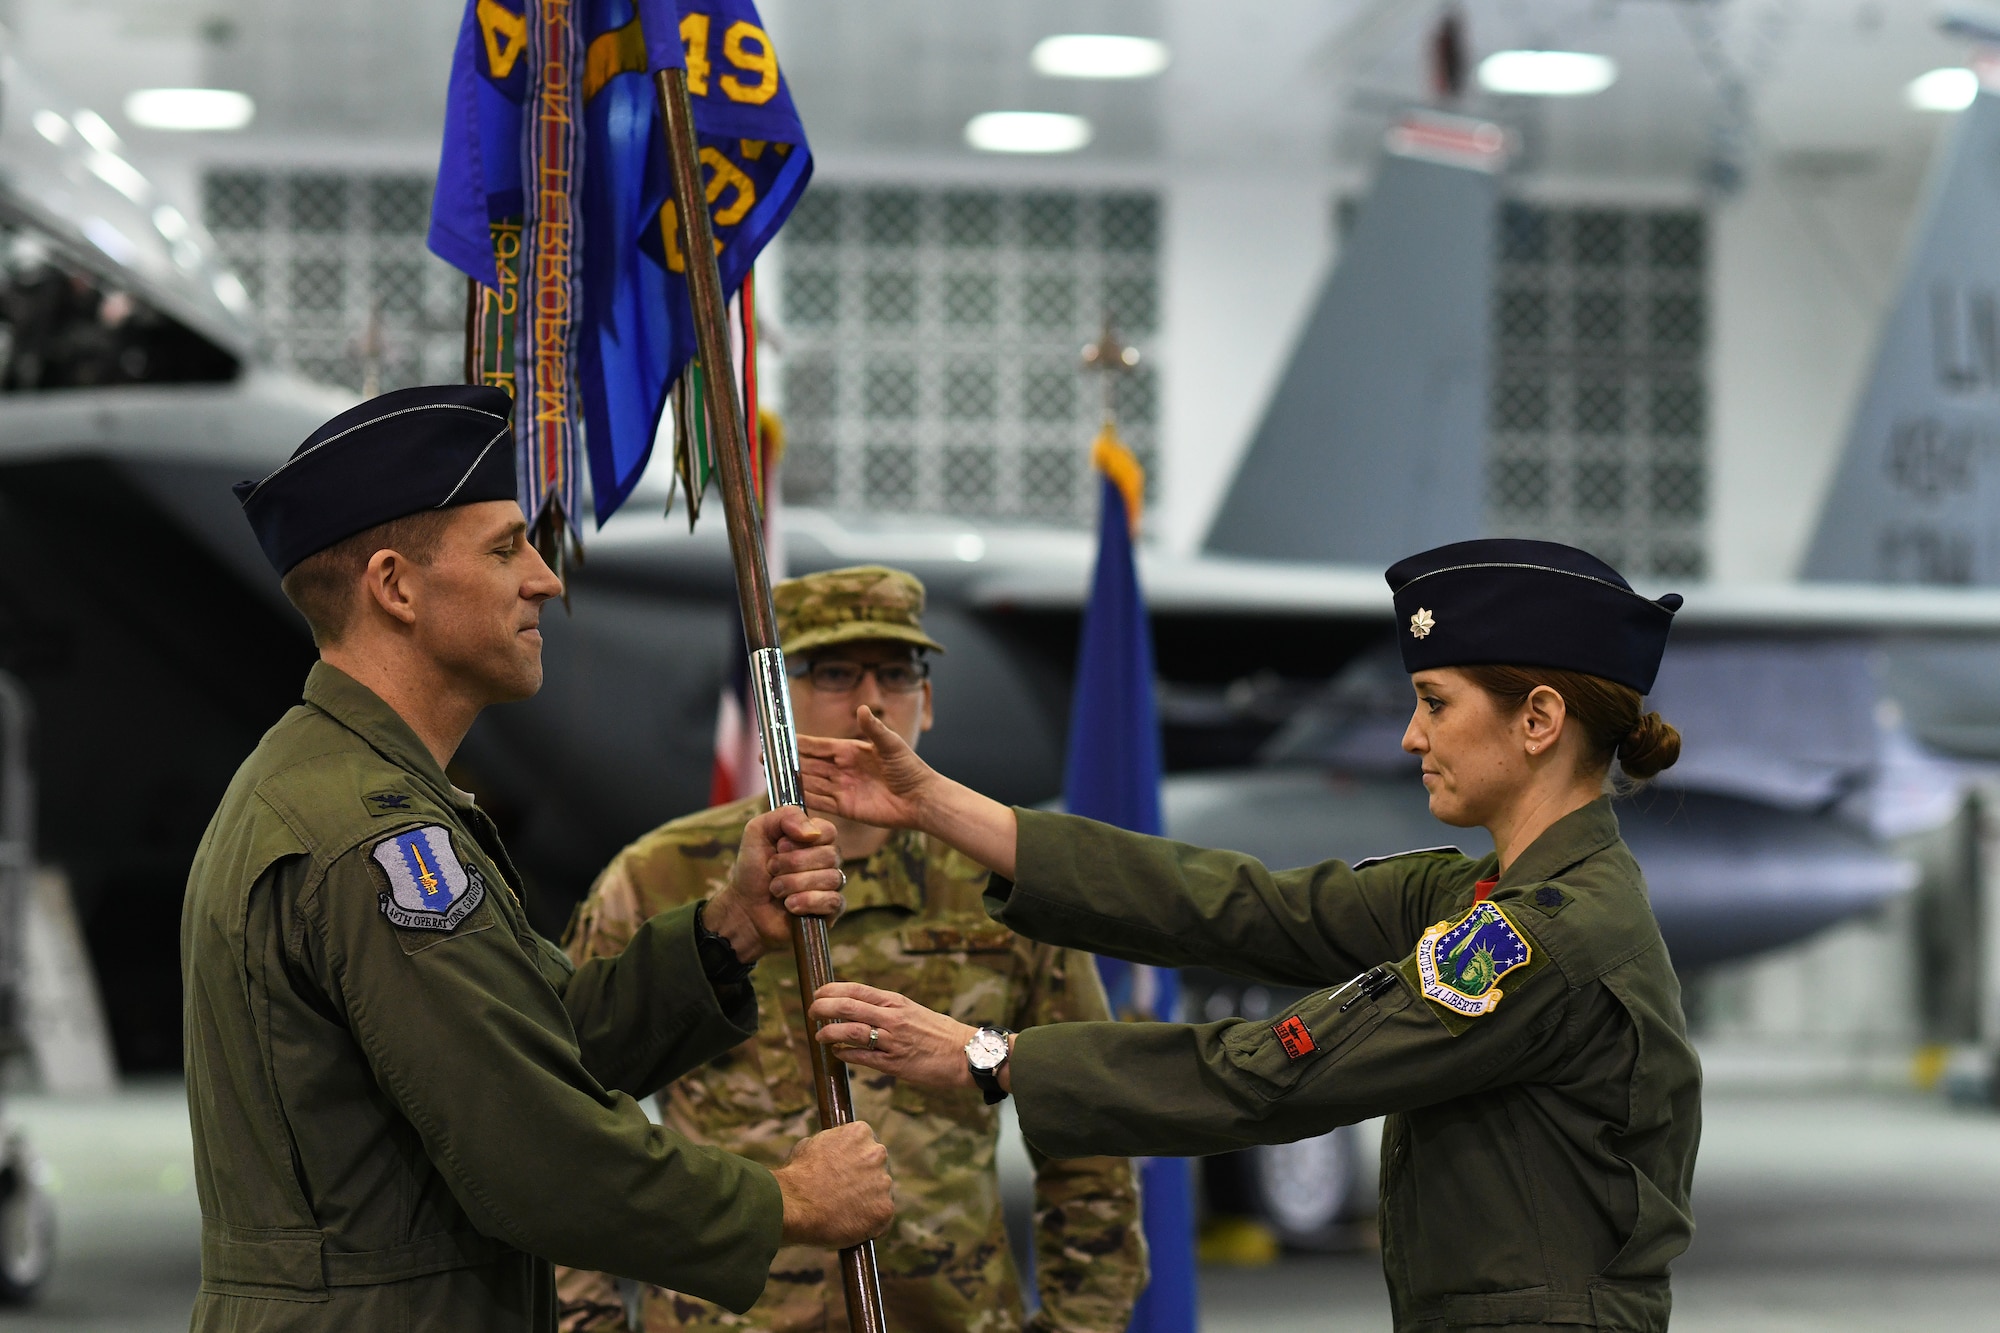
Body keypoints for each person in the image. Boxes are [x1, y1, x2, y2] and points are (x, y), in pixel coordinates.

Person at [799, 539, 1702, 1333]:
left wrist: (990, 1056)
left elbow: (1278, 1073)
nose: (1408, 735)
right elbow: (1232, 905)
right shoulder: (1477, 895)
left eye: (1434, 702)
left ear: (1539, 720)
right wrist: (932, 802)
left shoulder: (1542, 937)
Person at [183, 385, 894, 1332]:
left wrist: (727, 933)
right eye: (506, 546)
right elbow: (534, 1151)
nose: (548, 580)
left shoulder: (347, 788)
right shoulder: (372, 835)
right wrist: (789, 1202)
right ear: (395, 586)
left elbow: (533, 1045)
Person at [555, 565, 1147, 1333]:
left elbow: (1086, 1124)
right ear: (775, 701)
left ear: (928, 701)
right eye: (834, 671)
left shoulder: (1001, 886)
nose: (870, 699)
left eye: (898, 672)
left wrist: (1078, 1325)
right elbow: (564, 1112)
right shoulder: (663, 878)